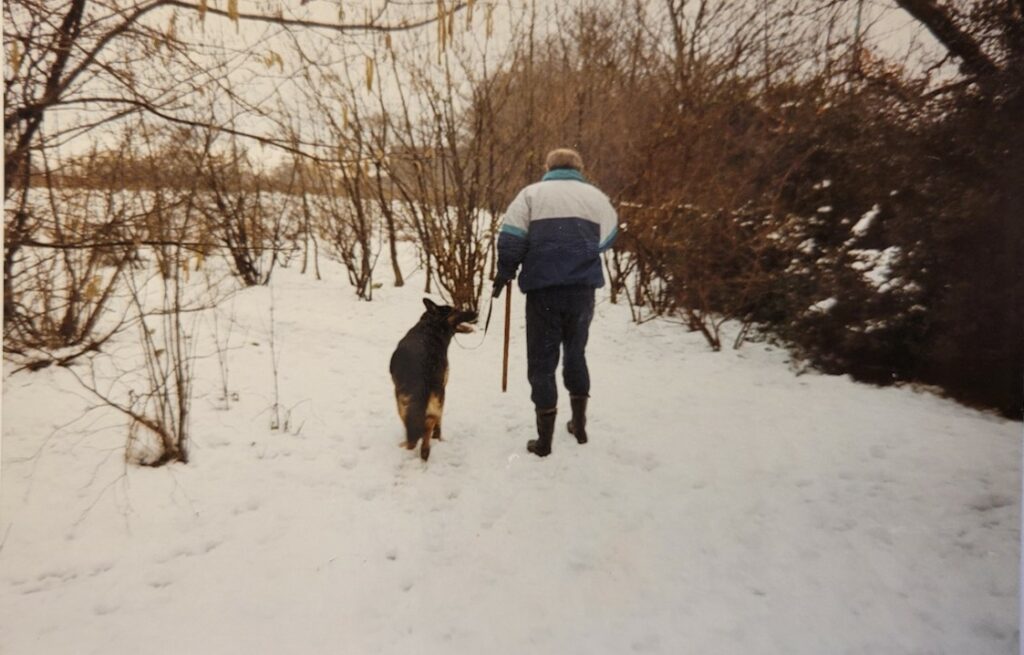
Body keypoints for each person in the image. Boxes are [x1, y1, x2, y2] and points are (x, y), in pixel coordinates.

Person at [492, 148, 619, 457]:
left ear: (547, 166)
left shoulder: (531, 195)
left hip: (543, 292)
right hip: (582, 292)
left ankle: (544, 441)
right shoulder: (596, 198)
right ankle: (579, 425)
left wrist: (505, 272)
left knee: (542, 362)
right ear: (579, 167)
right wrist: (579, 252)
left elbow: (511, 238)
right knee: (576, 354)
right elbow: (609, 236)